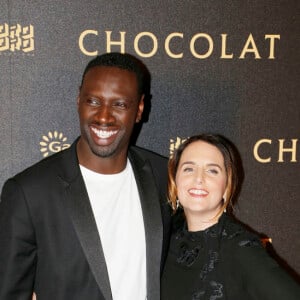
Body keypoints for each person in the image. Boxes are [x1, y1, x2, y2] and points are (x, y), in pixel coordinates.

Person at [0, 52, 171, 300]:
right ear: (78, 100)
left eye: (120, 104)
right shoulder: (29, 193)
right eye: (93, 101)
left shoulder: (163, 176)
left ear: (139, 109)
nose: (104, 116)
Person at [161, 133, 300, 299]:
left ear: (227, 186)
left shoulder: (239, 247)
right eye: (189, 169)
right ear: (175, 180)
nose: (199, 178)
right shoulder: (164, 237)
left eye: (212, 171)